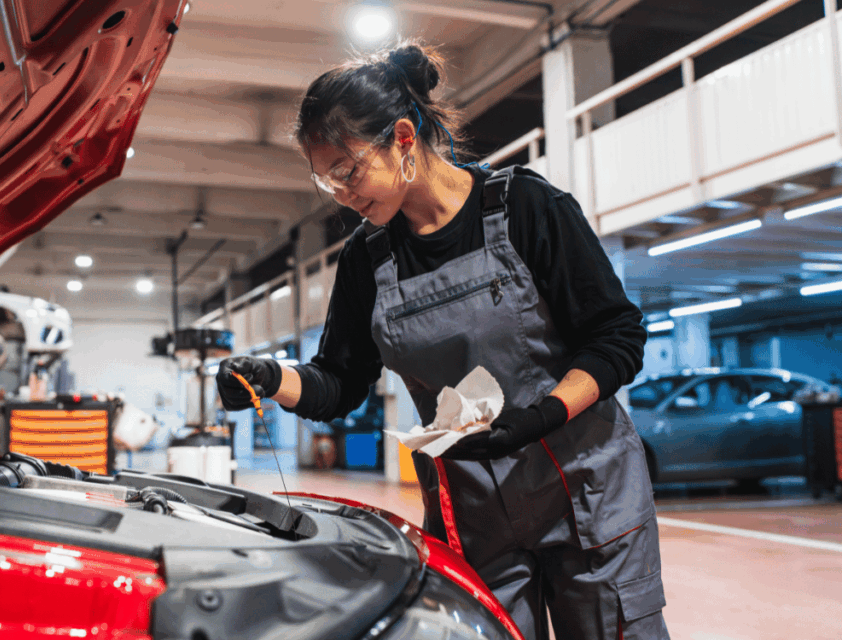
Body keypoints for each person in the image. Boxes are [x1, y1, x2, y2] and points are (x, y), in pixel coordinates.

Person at [216, 41, 668, 640]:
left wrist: (542, 416)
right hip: (475, 515)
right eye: (329, 183)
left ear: (403, 136)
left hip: (586, 494)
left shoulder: (527, 208)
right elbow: (340, 382)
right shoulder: (365, 261)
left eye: (349, 171)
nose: (345, 195)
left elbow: (616, 338)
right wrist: (272, 378)